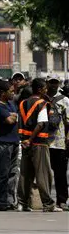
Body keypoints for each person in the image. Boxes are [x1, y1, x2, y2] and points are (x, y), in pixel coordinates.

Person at [17, 78, 61, 212]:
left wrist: (25, 140)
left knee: (25, 173)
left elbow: (21, 123)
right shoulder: (42, 103)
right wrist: (31, 139)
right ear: (40, 89)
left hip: (25, 143)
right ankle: (48, 204)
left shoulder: (23, 103)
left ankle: (22, 203)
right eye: (45, 88)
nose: (47, 90)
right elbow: (41, 124)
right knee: (43, 174)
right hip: (39, 143)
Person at [0, 80, 20, 211]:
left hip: (14, 142)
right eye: (11, 91)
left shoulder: (11, 104)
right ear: (3, 93)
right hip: (3, 143)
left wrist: (13, 115)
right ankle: (1, 201)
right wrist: (12, 116)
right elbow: (10, 120)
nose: (13, 93)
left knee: (12, 173)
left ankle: (10, 200)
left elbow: (16, 117)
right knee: (3, 173)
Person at [45, 75, 69, 211]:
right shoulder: (42, 99)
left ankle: (62, 200)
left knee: (60, 174)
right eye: (51, 82)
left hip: (59, 143)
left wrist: (67, 139)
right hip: (44, 142)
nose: (53, 85)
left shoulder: (65, 100)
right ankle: (46, 200)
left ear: (58, 83)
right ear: (47, 83)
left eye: (55, 82)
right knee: (45, 174)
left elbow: (68, 122)